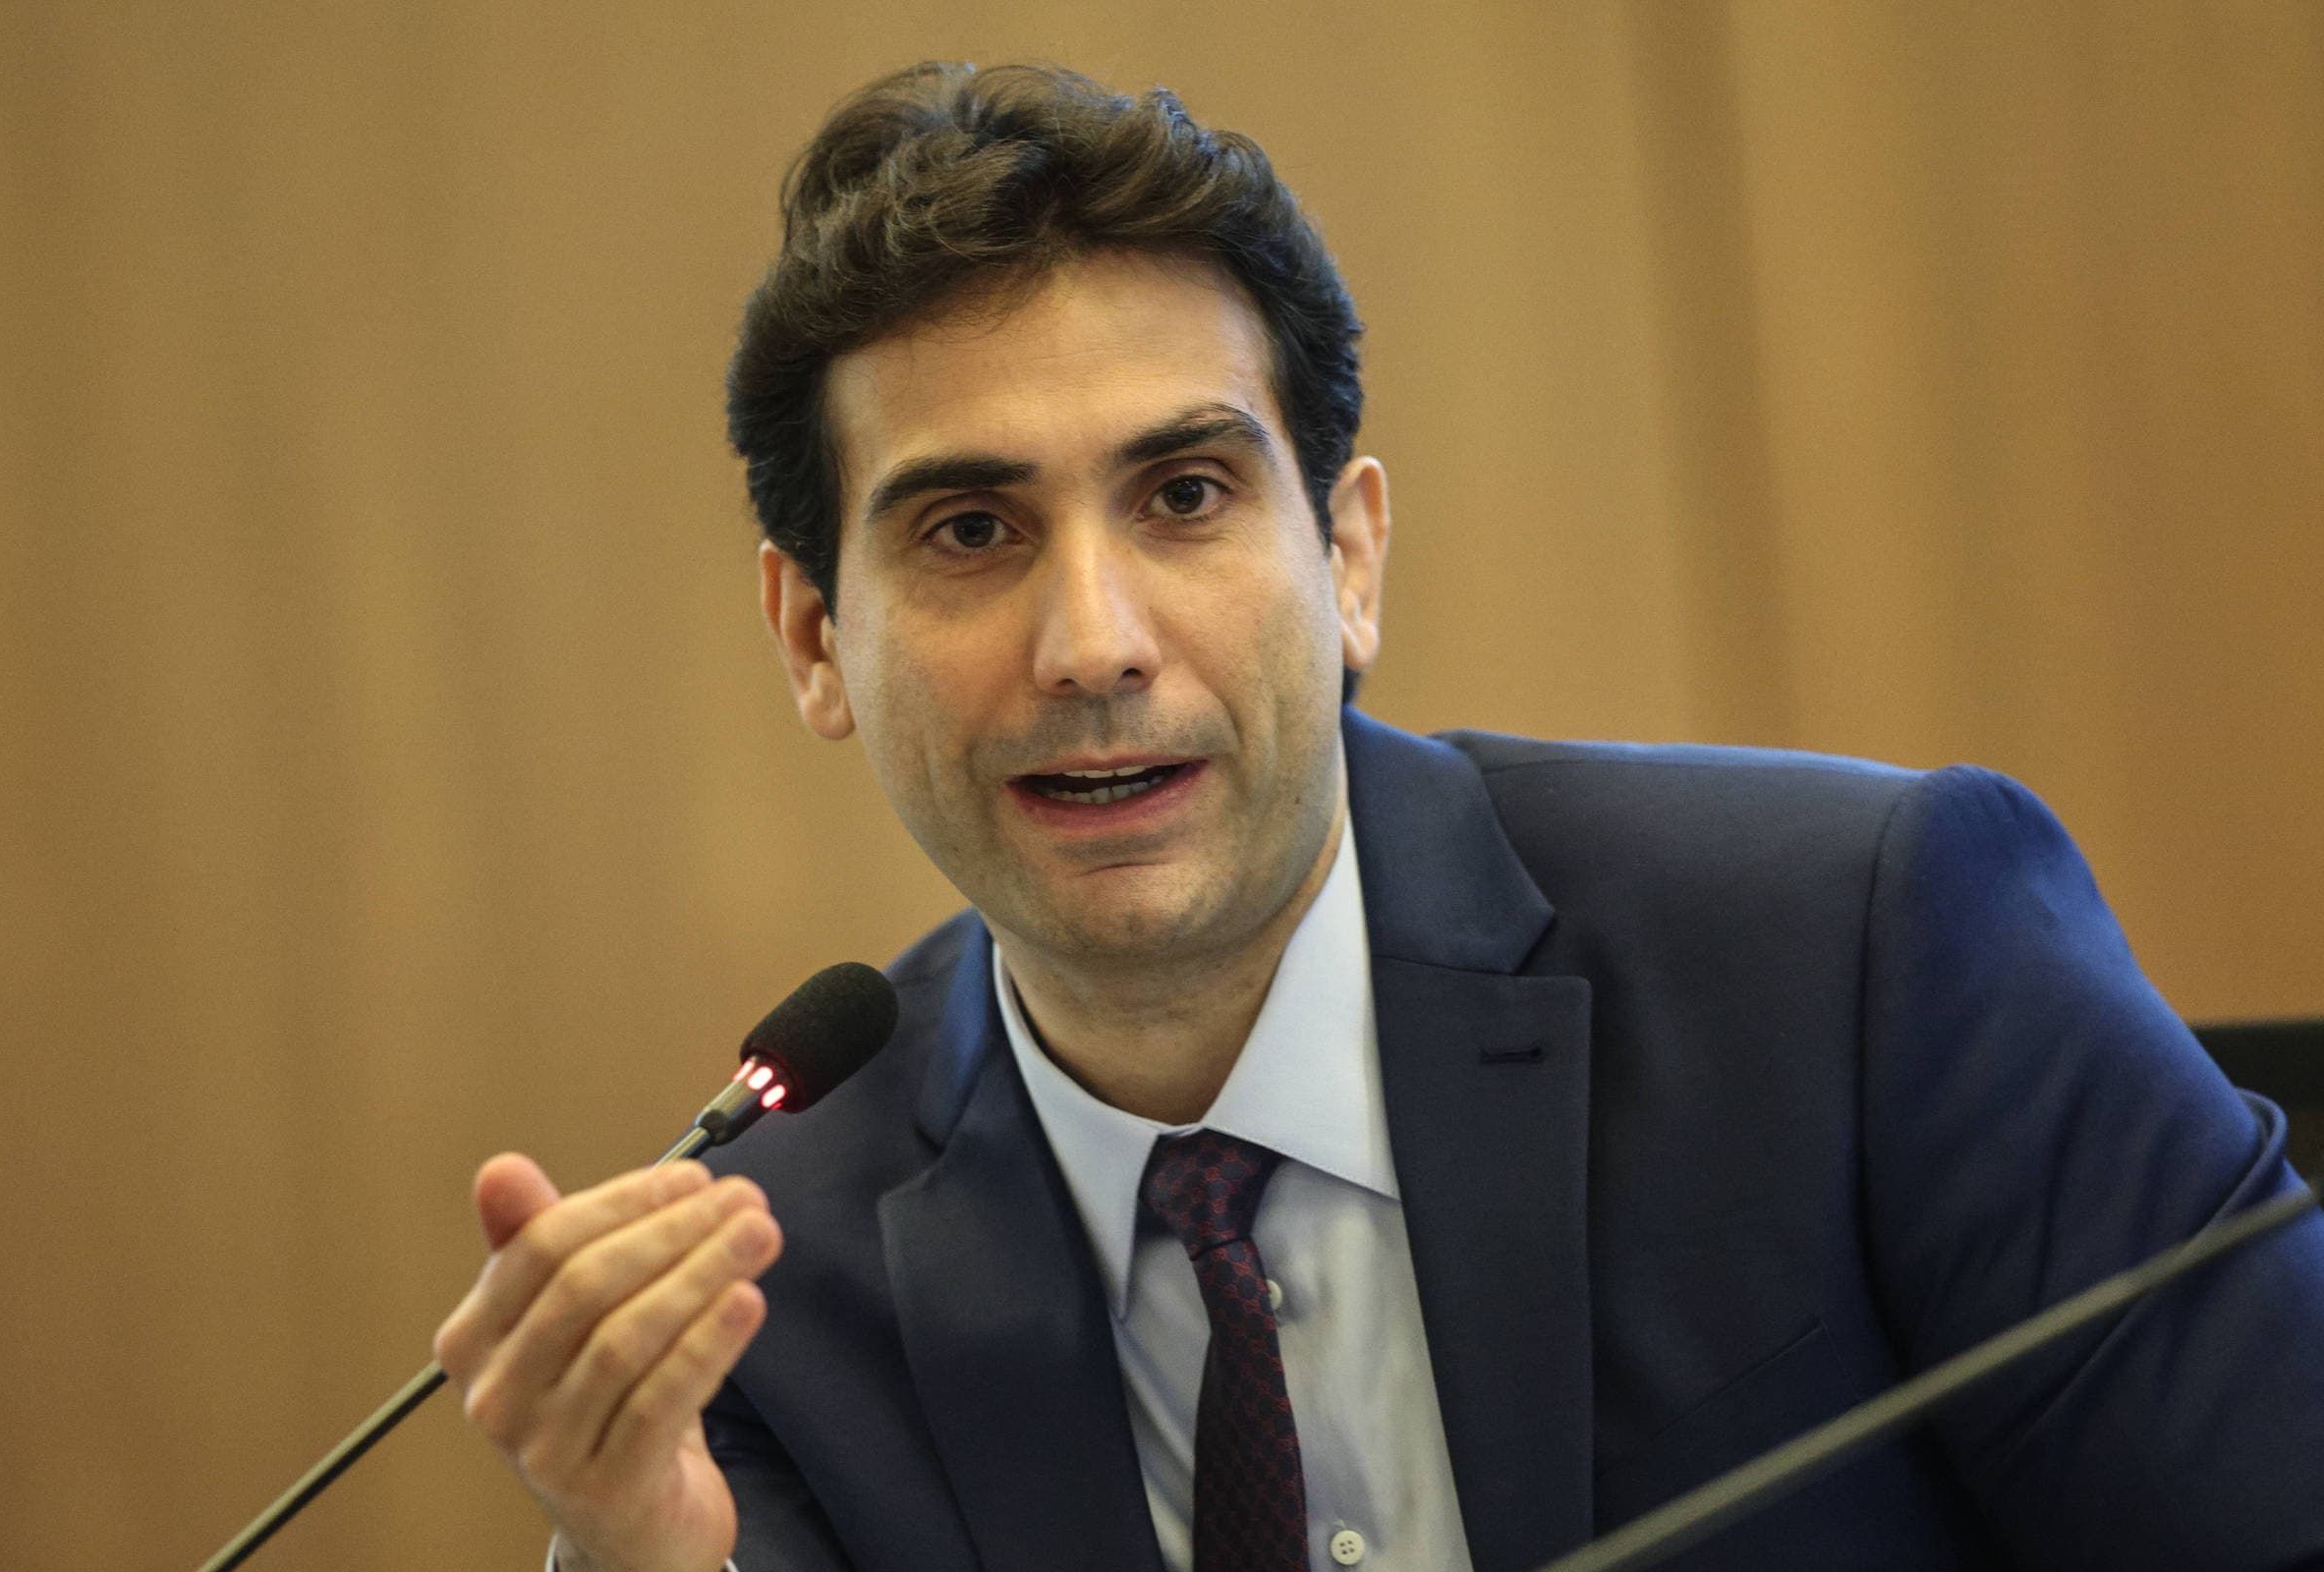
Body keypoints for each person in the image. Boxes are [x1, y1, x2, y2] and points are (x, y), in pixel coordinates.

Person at [431, 62, 2324, 1572]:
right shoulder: (770, 1284)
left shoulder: (1865, 956)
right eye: (971, 530)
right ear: (812, 639)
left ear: (1347, 558)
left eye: (1184, 496)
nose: (1094, 645)